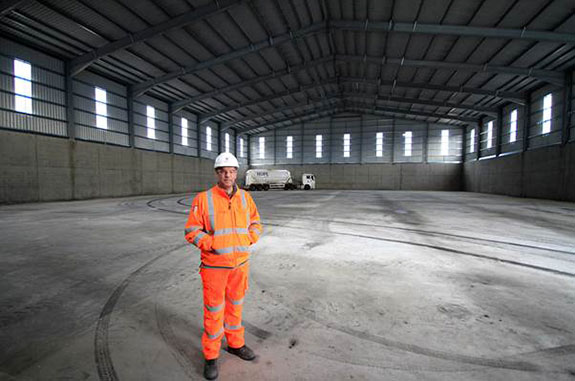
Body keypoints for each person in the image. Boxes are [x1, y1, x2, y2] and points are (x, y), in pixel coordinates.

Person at [184, 152, 263, 380]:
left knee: (235, 307)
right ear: (217, 173)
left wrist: (250, 238)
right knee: (214, 312)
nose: (227, 175)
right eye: (223, 171)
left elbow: (256, 222)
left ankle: (236, 344)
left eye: (231, 171)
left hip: (240, 265)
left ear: (236, 173)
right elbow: (191, 230)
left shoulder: (246, 198)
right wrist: (211, 244)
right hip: (214, 267)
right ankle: (211, 355)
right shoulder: (203, 198)